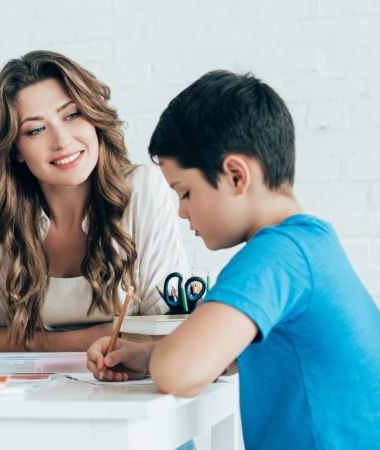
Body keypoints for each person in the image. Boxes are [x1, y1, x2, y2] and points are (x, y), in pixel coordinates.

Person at [86, 70, 380, 450]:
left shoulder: (275, 255)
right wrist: (147, 355)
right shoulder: (313, 243)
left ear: (236, 176)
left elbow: (180, 373)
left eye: (185, 192)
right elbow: (240, 355)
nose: (181, 212)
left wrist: (164, 360)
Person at [0, 50, 190, 356]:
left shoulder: (142, 191)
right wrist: (79, 342)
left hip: (125, 390)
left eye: (72, 115)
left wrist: (23, 342)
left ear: (94, 117)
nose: (62, 140)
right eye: (36, 130)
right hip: (23, 396)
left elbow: (170, 328)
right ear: (15, 148)